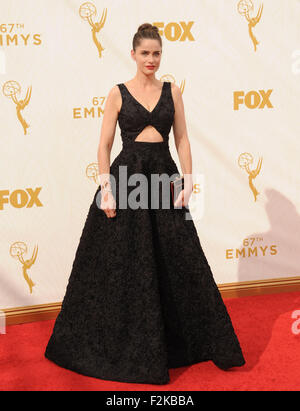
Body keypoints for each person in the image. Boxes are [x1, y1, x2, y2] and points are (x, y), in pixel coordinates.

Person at [45, 23, 246, 385]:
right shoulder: (117, 93)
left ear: (160, 55)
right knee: (124, 266)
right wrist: (105, 189)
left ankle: (186, 343)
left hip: (163, 179)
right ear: (133, 53)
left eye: (156, 53)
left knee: (180, 260)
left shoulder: (173, 91)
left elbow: (182, 139)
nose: (151, 59)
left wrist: (188, 180)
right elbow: (104, 146)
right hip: (127, 181)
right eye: (145, 53)